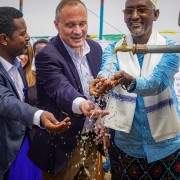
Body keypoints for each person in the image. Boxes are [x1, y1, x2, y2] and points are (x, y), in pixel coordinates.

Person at [90, 0, 180, 179]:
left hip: (166, 146)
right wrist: (102, 82)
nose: (135, 16)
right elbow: (107, 68)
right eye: (129, 10)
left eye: (142, 9)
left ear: (156, 14)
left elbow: (156, 83)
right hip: (127, 148)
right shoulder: (115, 48)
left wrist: (129, 81)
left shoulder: (170, 47)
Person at [28, 0, 109, 180]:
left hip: (92, 142)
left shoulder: (95, 49)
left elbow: (101, 87)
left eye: (82, 23)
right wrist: (82, 104)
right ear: (57, 25)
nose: (78, 31)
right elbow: (60, 88)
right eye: (70, 25)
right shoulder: (47, 55)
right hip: (61, 147)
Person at [0, 6, 71, 180]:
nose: (28, 38)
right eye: (22, 33)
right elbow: (6, 101)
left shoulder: (16, 66)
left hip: (24, 147)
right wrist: (39, 116)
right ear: (4, 39)